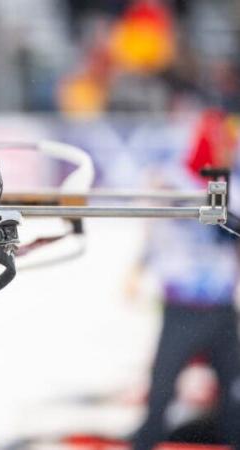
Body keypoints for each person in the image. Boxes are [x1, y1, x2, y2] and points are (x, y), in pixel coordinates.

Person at [131, 109, 240, 449]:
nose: (228, 151)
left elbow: (231, 234)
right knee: (162, 389)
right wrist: (137, 269)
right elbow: (155, 229)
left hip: (221, 307)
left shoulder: (231, 185)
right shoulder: (171, 179)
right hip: (181, 305)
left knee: (232, 395)